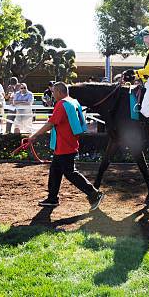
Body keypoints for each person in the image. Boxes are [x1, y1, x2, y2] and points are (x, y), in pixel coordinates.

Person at [29, 82, 104, 210]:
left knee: (70, 173)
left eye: (53, 92)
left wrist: (34, 135)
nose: (52, 95)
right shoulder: (73, 102)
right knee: (55, 170)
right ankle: (52, 198)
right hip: (68, 143)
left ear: (58, 92)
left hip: (64, 144)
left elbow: (51, 123)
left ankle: (94, 193)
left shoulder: (61, 104)